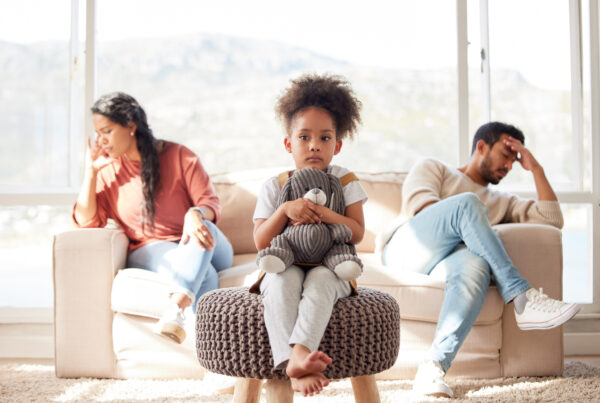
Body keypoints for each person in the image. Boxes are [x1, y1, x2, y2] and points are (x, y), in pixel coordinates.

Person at [379, 121, 579, 398]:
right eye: (506, 155)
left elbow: (552, 220)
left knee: (476, 267)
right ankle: (523, 298)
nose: (509, 166)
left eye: (515, 160)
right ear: (482, 147)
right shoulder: (435, 168)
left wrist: (536, 169)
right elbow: (424, 210)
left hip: (447, 262)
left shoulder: (503, 201)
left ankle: (433, 368)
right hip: (408, 249)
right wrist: (473, 220)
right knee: (468, 204)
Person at [73, 92, 233, 344]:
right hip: (151, 249)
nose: (101, 141)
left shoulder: (180, 156)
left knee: (206, 229)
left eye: (107, 131)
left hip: (202, 242)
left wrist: (194, 213)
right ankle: (212, 352)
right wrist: (90, 172)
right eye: (98, 133)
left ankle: (176, 308)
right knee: (207, 274)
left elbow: (209, 203)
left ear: (130, 125)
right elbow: (86, 222)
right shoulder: (109, 171)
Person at [252, 74, 368, 397]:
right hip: (285, 263)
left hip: (331, 265)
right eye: (304, 137)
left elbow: (356, 233)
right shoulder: (274, 185)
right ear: (288, 144)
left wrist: (326, 215)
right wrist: (285, 211)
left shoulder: (344, 181)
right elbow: (261, 241)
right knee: (281, 281)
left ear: (337, 145)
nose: (314, 145)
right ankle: (293, 362)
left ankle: (300, 351)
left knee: (320, 281)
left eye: (324, 138)